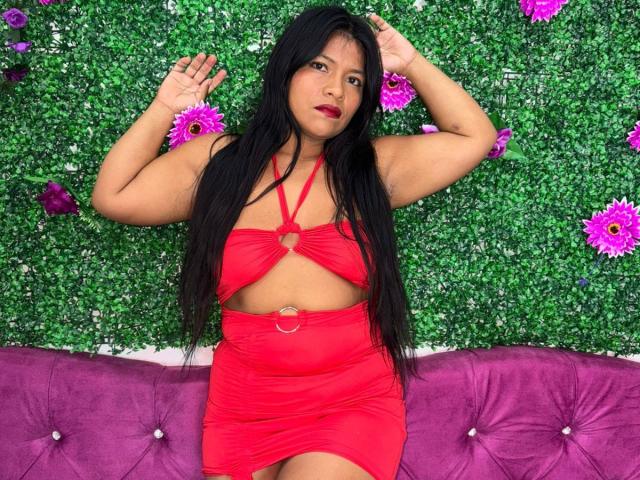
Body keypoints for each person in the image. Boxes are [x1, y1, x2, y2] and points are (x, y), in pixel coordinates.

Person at [92, 4, 497, 479]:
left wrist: (410, 63)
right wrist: (165, 108)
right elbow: (114, 196)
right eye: (321, 67)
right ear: (286, 69)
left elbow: (474, 136)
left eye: (354, 79)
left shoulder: (372, 169)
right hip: (244, 402)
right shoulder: (218, 163)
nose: (336, 89)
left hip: (351, 399)